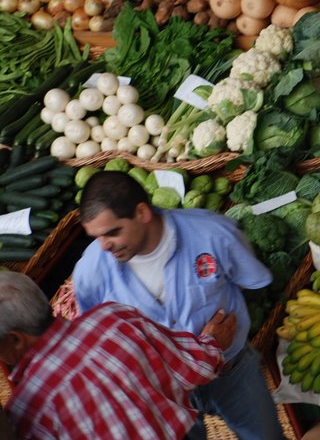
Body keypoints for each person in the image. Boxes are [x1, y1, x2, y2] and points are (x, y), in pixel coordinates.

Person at [73, 171, 285, 440]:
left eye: (112, 232)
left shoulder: (213, 234)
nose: (104, 246)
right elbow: (97, 330)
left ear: (142, 212)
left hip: (232, 372)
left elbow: (246, 281)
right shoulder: (91, 270)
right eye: (95, 236)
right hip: (163, 392)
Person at [0, 271, 236, 439]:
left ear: (15, 339)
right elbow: (194, 367)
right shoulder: (114, 318)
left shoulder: (27, 412)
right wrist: (212, 342)